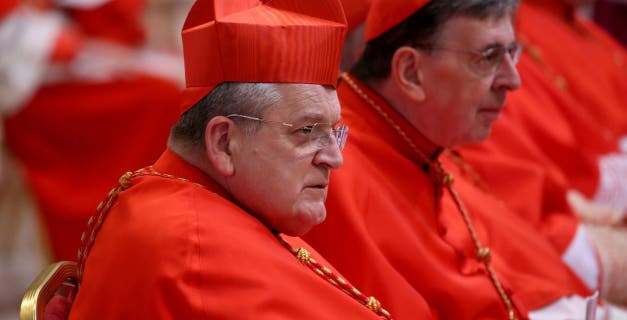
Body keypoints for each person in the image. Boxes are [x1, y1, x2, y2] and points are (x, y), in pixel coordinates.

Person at [303, 0, 627, 318]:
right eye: (489, 57)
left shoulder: (421, 142)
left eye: (512, 53)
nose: (513, 80)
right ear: (410, 72)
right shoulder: (335, 174)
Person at [68, 0, 396, 318]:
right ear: (224, 142)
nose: (334, 158)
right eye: (307, 130)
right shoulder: (195, 255)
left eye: (334, 132)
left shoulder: (215, 199)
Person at [0, 0, 184, 261]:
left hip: (71, 69)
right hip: (41, 92)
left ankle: (146, 227)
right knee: (161, 100)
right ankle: (118, 229)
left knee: (170, 92)